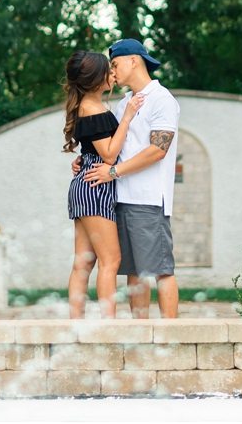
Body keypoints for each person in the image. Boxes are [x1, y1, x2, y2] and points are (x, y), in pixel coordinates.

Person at [85, 39, 181, 319]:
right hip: (120, 199)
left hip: (149, 200)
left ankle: (170, 340)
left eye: (114, 65)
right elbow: (113, 147)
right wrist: (86, 158)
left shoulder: (162, 99)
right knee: (134, 273)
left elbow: (157, 151)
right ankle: (141, 336)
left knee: (161, 270)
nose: (112, 72)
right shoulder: (124, 103)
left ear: (134, 60)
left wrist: (113, 172)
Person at [62, 50, 145, 319]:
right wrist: (128, 116)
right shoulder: (93, 108)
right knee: (111, 261)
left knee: (83, 263)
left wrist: (81, 160)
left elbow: (94, 150)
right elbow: (109, 155)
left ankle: (77, 325)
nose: (112, 73)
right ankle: (108, 326)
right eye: (107, 70)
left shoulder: (87, 105)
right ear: (96, 79)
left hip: (86, 183)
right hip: (95, 188)